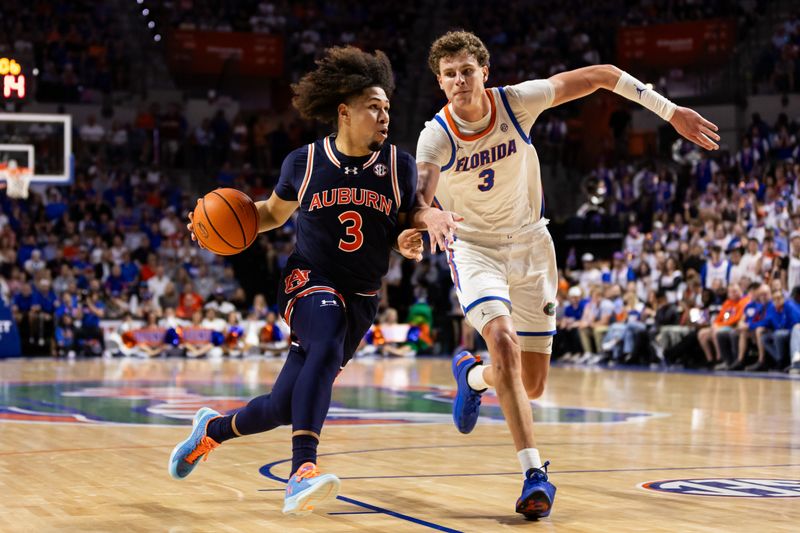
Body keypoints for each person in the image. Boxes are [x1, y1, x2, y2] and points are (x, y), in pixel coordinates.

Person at [411, 30, 720, 519]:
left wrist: (670, 112)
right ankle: (535, 475)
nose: (459, 81)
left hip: (533, 245)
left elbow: (601, 76)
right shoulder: (436, 134)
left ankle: (472, 378)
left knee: (530, 385)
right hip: (474, 250)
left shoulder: (516, 103)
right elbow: (421, 198)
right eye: (449, 74)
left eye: (467, 71)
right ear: (439, 82)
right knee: (505, 343)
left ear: (484, 72)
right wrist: (426, 218)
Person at [169, 46, 422, 516]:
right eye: (374, 106)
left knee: (285, 404)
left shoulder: (400, 166)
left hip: (363, 296)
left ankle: (212, 431)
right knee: (324, 345)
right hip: (309, 279)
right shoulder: (303, 162)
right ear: (344, 112)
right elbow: (268, 213)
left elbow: (408, 219)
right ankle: (301, 471)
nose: (384, 114)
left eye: (388, 107)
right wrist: (211, 227)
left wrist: (410, 236)